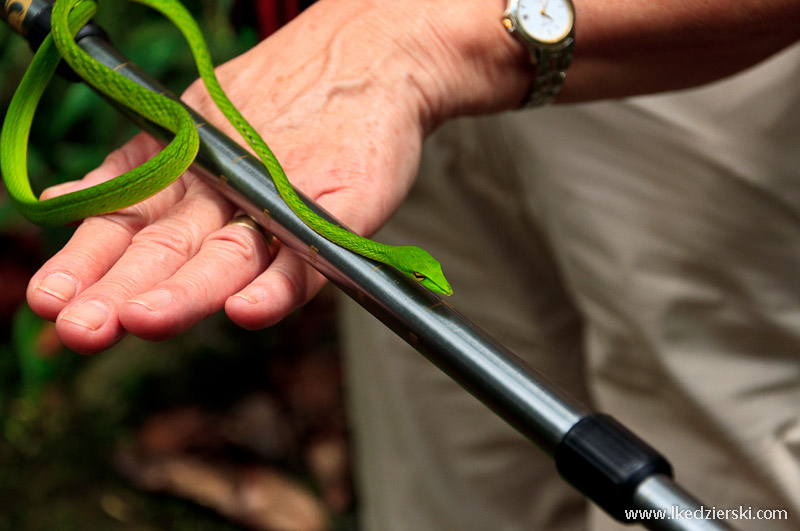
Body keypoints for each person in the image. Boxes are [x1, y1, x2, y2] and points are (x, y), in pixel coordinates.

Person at [22, 0, 800, 529]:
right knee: (448, 484)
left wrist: (428, 34)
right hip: (355, 75)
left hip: (677, 59)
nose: (430, 286)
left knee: (711, 462)